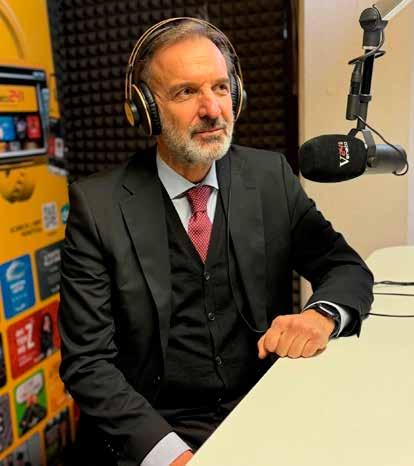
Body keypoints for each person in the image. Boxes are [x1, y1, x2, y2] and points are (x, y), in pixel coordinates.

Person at [58, 17, 373, 466]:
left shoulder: (270, 177)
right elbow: (87, 362)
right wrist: (171, 455)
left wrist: (321, 315)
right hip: (155, 430)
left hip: (265, 410)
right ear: (145, 109)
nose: (212, 109)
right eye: (186, 92)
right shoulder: (97, 207)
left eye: (221, 88)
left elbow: (343, 266)